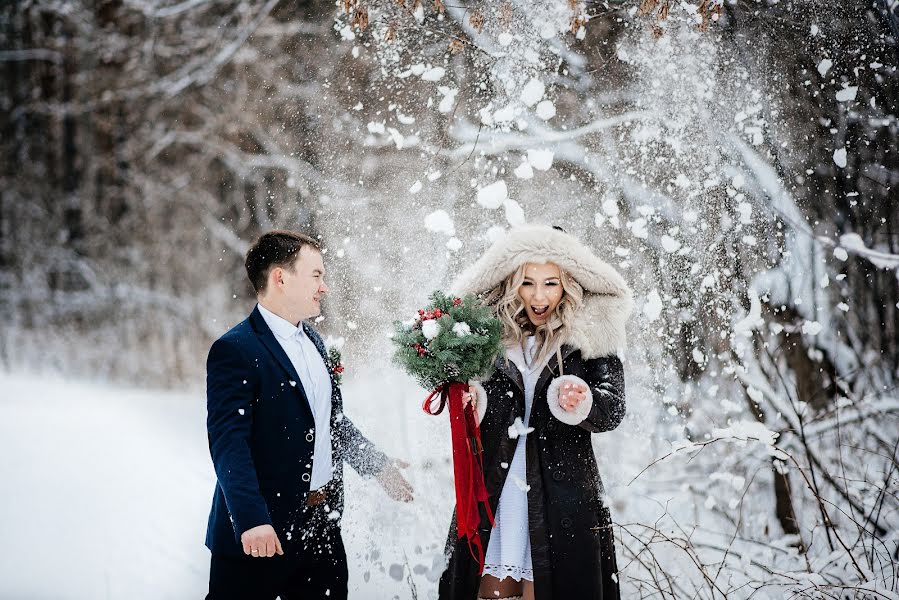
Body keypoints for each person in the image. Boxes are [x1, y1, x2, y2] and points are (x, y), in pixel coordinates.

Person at [204, 230, 414, 600]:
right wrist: (252, 520)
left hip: (322, 526)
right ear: (280, 278)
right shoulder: (234, 349)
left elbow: (330, 423)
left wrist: (376, 465)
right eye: (316, 275)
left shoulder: (315, 342)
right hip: (261, 534)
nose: (324, 287)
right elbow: (228, 444)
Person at [438, 224, 633, 600]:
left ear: (569, 282)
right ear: (511, 282)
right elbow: (466, 396)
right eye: (528, 283)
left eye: (551, 283)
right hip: (497, 493)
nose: (539, 296)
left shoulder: (593, 331)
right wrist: (473, 406)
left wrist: (584, 401)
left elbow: (613, 407)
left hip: (563, 497)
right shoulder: (485, 334)